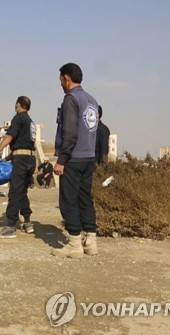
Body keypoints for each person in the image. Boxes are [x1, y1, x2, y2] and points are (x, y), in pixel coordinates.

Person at [52, 63, 99, 258]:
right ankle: (91, 242)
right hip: (89, 157)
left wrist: (62, 159)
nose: (60, 83)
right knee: (84, 199)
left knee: (68, 200)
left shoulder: (71, 99)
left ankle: (74, 244)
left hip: (73, 158)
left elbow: (69, 132)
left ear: (66, 78)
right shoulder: (91, 100)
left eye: (60, 79)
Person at [0, 96, 37, 238]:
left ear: (19, 105)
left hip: (21, 161)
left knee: (15, 191)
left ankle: (10, 226)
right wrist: (7, 158)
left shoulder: (18, 118)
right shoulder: (30, 122)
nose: (15, 108)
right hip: (29, 159)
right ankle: (27, 223)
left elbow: (9, 137)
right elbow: (24, 144)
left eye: (16, 106)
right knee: (22, 191)